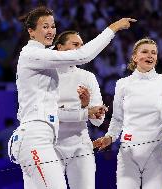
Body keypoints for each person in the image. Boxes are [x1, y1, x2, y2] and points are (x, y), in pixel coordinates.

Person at [7, 6, 136, 189]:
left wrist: (86, 108)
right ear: (31, 31)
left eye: (53, 26)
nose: (51, 30)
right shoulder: (32, 54)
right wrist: (113, 28)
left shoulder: (41, 56)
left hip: (42, 138)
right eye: (45, 26)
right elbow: (83, 55)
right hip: (35, 138)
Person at [93, 38, 162, 189]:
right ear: (134, 57)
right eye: (145, 52)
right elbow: (117, 118)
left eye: (153, 53)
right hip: (128, 152)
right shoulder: (122, 84)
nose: (150, 56)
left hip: (156, 154)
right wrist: (110, 137)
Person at [54, 30, 107, 189]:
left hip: (80, 145)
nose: (81, 49)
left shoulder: (88, 77)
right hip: (51, 144)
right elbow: (50, 114)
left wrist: (86, 105)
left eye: (82, 46)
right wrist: (84, 111)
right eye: (75, 45)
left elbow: (98, 121)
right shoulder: (47, 75)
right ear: (60, 48)